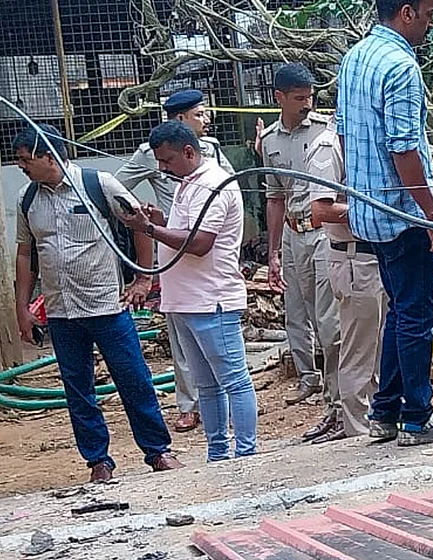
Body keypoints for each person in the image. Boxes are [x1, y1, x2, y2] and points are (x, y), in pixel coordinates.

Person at [12, 124, 182, 483]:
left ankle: (157, 451)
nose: (22, 167)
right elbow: (25, 255)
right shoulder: (27, 200)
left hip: (107, 305)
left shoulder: (98, 185)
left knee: (134, 380)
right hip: (61, 312)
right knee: (78, 390)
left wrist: (143, 278)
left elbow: (139, 223)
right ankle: (98, 462)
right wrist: (22, 309)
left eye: (27, 160)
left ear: (50, 156)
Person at [337, 0, 433, 446]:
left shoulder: (355, 57)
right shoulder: (401, 66)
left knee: (400, 308)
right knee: (415, 313)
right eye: (430, 15)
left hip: (369, 211)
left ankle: (385, 411)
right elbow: (404, 149)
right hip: (402, 214)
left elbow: (342, 133)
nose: (431, 24)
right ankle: (418, 417)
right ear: (407, 12)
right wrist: (432, 216)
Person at [122, 121, 258, 462]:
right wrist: (162, 221)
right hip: (184, 301)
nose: (162, 169)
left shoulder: (214, 184)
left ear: (188, 152)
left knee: (234, 380)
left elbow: (200, 243)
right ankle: (217, 451)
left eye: (167, 161)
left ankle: (246, 452)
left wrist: (150, 229)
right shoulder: (188, 183)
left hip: (211, 299)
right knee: (206, 385)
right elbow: (185, 231)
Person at [115, 89, 234, 434]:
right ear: (179, 119)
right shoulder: (150, 154)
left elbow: (230, 191)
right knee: (181, 336)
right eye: (199, 114)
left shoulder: (210, 149)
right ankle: (188, 404)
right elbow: (118, 186)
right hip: (172, 244)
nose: (206, 118)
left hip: (206, 244)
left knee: (215, 333)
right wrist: (144, 217)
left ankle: (221, 404)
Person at [260, 63, 343, 443]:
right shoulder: (269, 141)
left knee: (328, 317)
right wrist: (272, 251)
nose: (306, 105)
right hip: (293, 233)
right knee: (297, 310)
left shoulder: (325, 131)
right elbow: (274, 197)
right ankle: (306, 378)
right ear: (279, 97)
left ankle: (335, 391)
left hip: (322, 231)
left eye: (310, 97)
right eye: (298, 99)